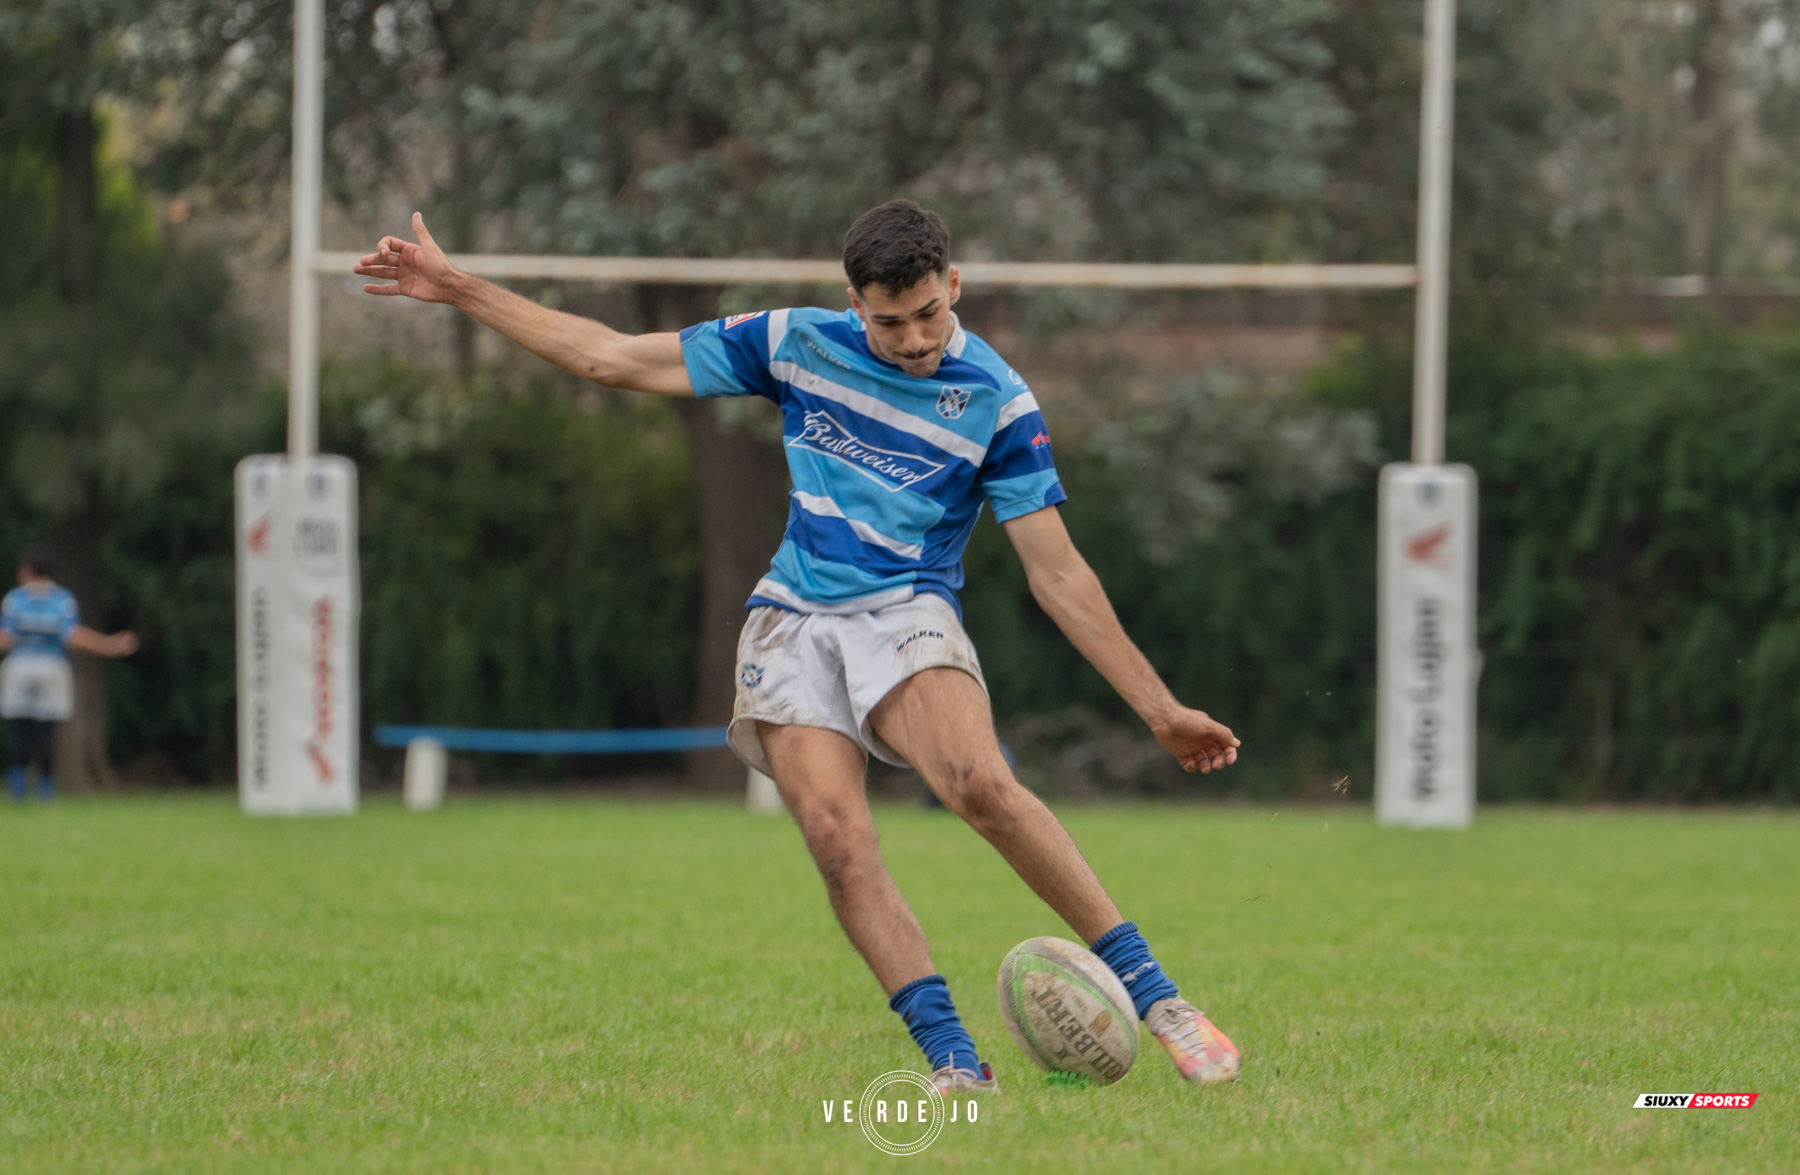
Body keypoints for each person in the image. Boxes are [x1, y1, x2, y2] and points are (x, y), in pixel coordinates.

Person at [354, 200, 1243, 1092]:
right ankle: (955, 1064)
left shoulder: (998, 401)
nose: (912, 337)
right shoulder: (792, 342)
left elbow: (1058, 574)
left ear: (955, 285)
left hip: (907, 608)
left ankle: (1162, 1001)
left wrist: (1160, 709)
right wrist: (458, 288)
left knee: (982, 786)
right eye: (889, 320)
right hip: (792, 619)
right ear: (854, 305)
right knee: (835, 839)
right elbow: (610, 356)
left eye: (929, 312)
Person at [1, 547, 138, 801]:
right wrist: (107, 645)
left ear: (28, 571)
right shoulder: (62, 600)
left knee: (19, 730)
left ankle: (17, 788)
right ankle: (45, 789)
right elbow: (72, 634)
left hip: (19, 666)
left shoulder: (14, 600)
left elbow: (5, 638)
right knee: (46, 731)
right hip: (53, 667)